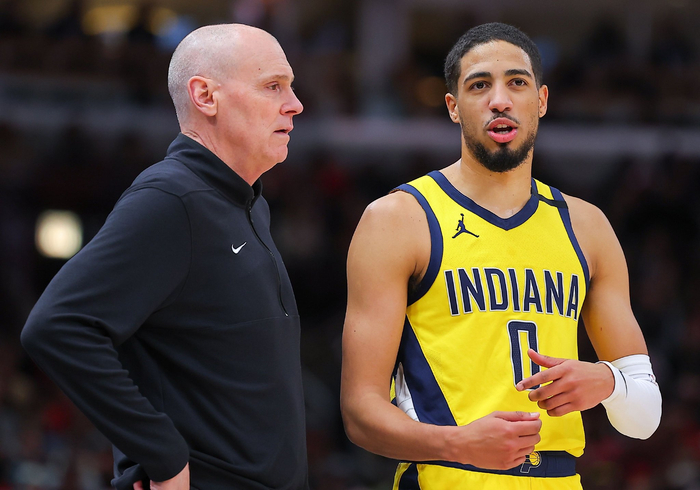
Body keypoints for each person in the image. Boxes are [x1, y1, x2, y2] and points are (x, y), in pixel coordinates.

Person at [340, 22, 661, 490]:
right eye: (478, 86)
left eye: (517, 82)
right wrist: (457, 444)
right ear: (453, 106)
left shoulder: (587, 226)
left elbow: (645, 416)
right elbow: (359, 413)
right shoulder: (397, 219)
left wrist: (608, 382)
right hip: (445, 477)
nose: (499, 100)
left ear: (542, 100)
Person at [21, 24, 307, 490]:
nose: (295, 104)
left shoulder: (249, 204)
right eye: (273, 86)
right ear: (205, 96)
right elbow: (57, 326)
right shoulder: (172, 199)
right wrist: (163, 455)